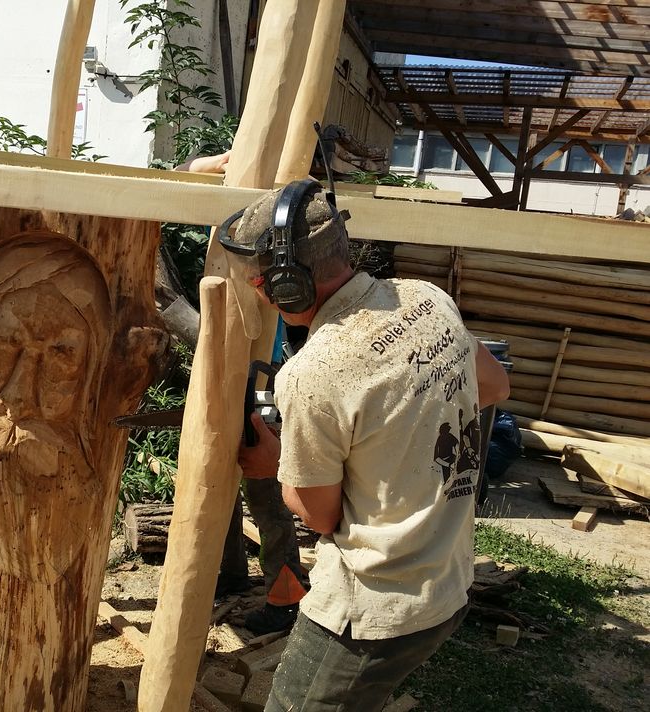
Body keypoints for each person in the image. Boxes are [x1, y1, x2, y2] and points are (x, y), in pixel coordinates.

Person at [230, 181, 510, 711]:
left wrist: (277, 464)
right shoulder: (429, 301)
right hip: (447, 584)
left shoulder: (313, 372)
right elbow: (494, 385)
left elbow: (319, 514)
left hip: (372, 612)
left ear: (285, 285)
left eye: (259, 284)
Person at [176, 150, 310, 634]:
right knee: (215, 484)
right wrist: (201, 167)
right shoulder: (233, 236)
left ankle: (285, 596)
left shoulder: (290, 252)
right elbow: (170, 186)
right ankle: (229, 572)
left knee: (267, 496)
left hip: (269, 390)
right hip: (226, 383)